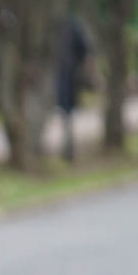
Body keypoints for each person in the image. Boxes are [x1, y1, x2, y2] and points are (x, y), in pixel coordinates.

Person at [55, 14, 91, 163]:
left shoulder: (71, 24)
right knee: (65, 115)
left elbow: (86, 51)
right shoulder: (44, 24)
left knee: (66, 114)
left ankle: (67, 148)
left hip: (66, 79)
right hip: (53, 82)